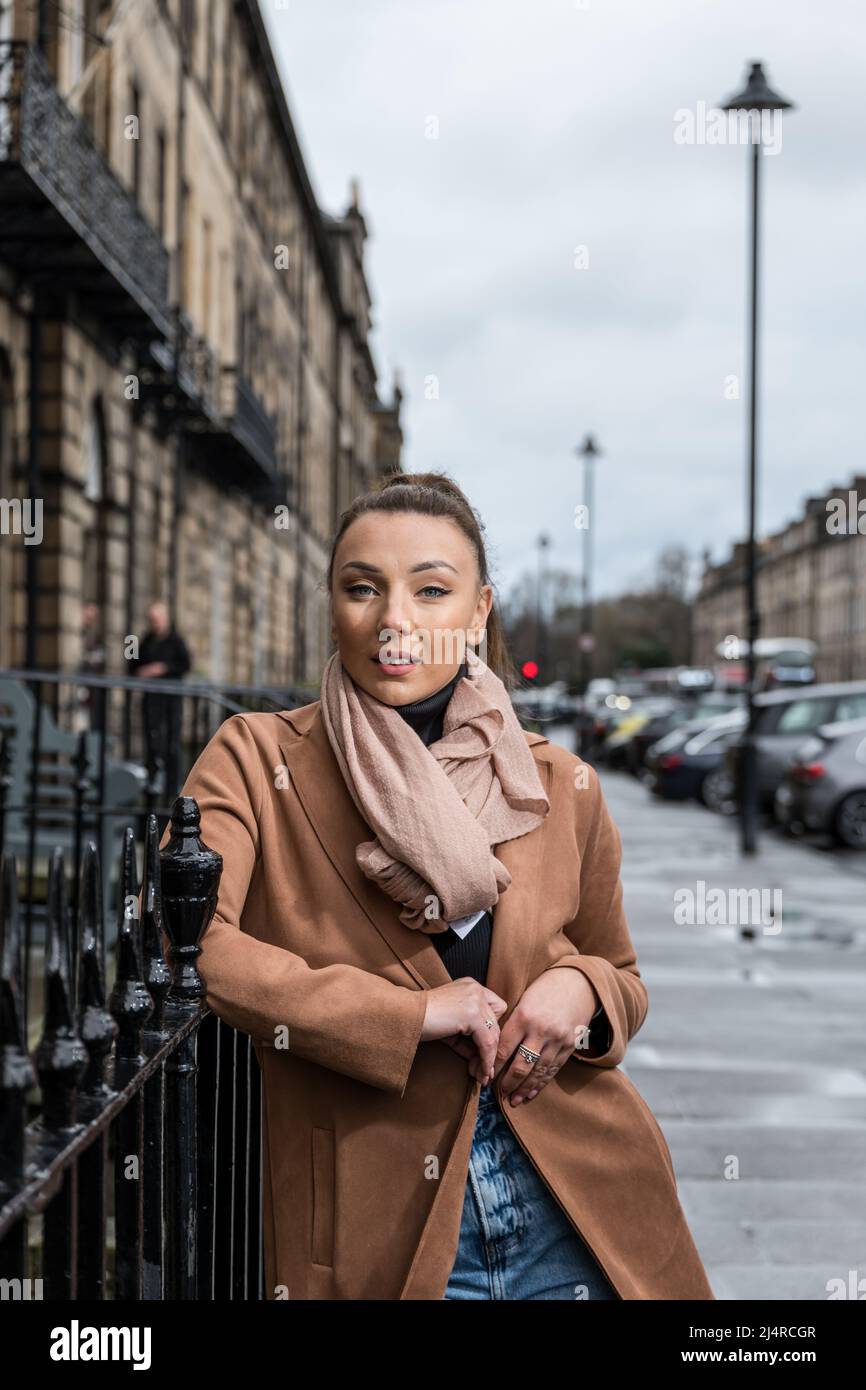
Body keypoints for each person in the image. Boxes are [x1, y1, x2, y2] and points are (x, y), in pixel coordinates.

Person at [170, 471, 715, 1300]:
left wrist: (579, 988)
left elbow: (623, 976)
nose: (395, 621)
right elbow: (190, 945)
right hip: (381, 1225)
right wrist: (410, 1015)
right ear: (333, 605)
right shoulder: (255, 759)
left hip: (581, 1207)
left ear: (479, 611)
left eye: (431, 590)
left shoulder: (557, 782)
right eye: (363, 588)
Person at [130, 601, 191, 797]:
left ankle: (172, 790)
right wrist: (129, 641)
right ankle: (152, 784)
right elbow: (132, 663)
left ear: (165, 619)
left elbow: (185, 665)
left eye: (157, 620)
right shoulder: (146, 639)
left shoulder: (176, 640)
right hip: (151, 700)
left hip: (171, 701)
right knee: (152, 741)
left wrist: (162, 668)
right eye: (151, 620)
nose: (154, 624)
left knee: (172, 744)